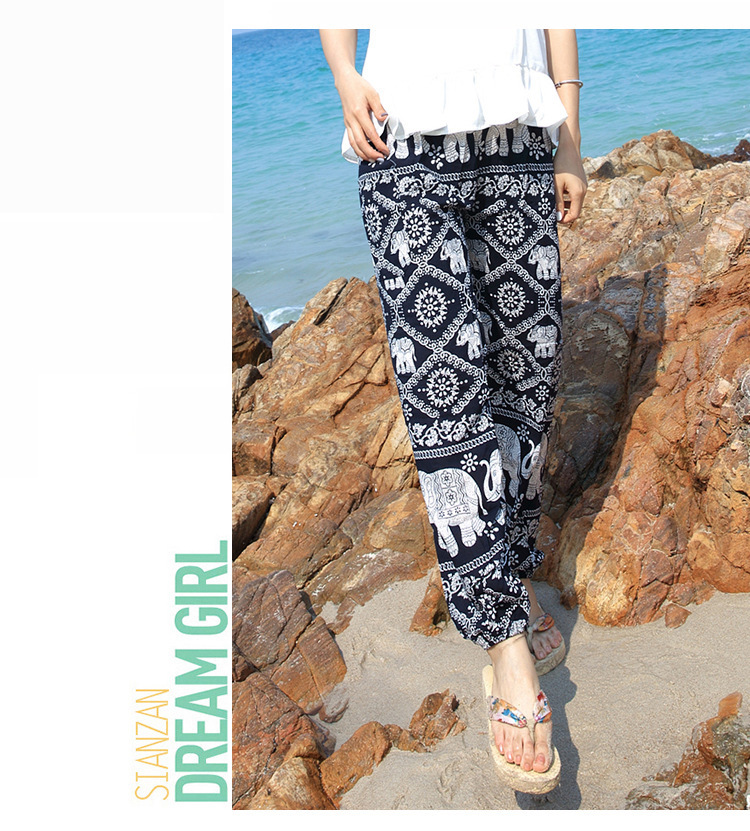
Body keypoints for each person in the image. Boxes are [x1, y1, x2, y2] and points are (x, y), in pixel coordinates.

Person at [320, 28, 587, 793]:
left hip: (520, 138)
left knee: (526, 380)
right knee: (448, 399)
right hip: (404, 143)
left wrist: (569, 137)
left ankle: (510, 569)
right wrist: (343, 73)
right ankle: (505, 645)